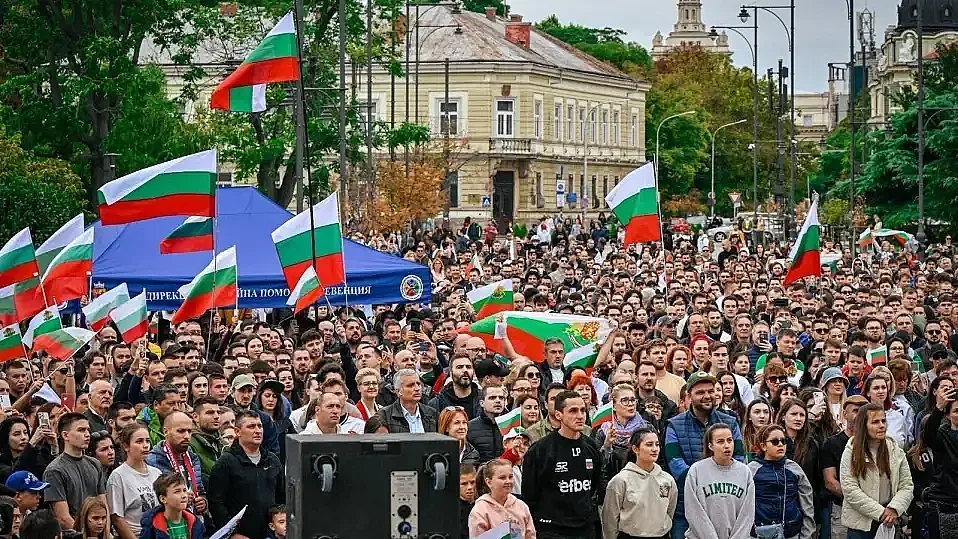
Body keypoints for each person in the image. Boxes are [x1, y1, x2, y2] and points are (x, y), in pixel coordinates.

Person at [665, 372, 744, 539]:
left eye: (710, 391)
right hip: (686, 509)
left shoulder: (730, 422)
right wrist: (706, 483)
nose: (707, 396)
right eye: (700, 392)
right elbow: (676, 465)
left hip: (724, 507)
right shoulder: (674, 425)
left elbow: (739, 459)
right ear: (689, 396)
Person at [522, 390, 605, 539]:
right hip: (552, 529)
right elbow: (529, 494)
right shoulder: (541, 450)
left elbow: (593, 485)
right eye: (573, 411)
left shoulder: (591, 447)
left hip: (584, 528)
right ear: (558, 415)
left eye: (582, 410)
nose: (580, 416)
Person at [840, 403, 914, 539]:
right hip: (861, 526)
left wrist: (893, 509)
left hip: (890, 521)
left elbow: (906, 485)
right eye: (875, 422)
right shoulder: (851, 451)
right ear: (864, 425)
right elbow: (850, 490)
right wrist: (881, 512)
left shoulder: (895, 449)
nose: (881, 425)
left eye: (883, 421)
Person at [209, 410, 285, 539]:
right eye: (251, 426)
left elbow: (281, 498)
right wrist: (232, 534)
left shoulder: (273, 460)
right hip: (240, 534)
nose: (258, 431)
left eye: (260, 426)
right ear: (237, 431)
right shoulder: (226, 462)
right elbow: (216, 502)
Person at [600, 426, 677, 539]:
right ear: (635, 449)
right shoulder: (621, 480)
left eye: (657, 444)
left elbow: (670, 510)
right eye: (649, 445)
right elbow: (609, 519)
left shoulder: (667, 480)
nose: (655, 449)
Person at [683, 424, 755, 539]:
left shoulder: (745, 472)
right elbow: (693, 511)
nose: (727, 445)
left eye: (729, 440)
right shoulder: (696, 470)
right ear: (710, 446)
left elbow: (747, 514)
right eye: (720, 441)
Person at [747, 424, 815, 539]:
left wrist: (806, 534)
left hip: (792, 533)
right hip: (759, 534)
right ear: (763, 446)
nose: (780, 444)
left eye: (783, 441)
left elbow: (807, 503)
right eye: (775, 441)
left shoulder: (794, 468)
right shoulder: (751, 470)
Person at [42, 413, 107, 529]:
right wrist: (84, 535)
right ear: (65, 435)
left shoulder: (95, 464)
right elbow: (63, 518)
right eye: (81, 430)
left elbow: (103, 505)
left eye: (88, 430)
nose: (87, 434)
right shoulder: (54, 470)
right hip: (73, 533)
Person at [821, 395, 868, 539]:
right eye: (855, 411)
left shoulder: (876, 443)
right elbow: (830, 482)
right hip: (843, 509)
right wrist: (859, 500)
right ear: (845, 414)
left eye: (863, 411)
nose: (859, 415)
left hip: (872, 512)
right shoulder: (832, 443)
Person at [145, 412, 206, 517]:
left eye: (189, 431)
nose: (187, 436)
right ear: (166, 432)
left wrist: (203, 503)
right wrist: (180, 499)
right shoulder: (153, 460)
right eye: (181, 431)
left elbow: (200, 490)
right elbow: (154, 499)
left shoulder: (193, 458)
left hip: (194, 520)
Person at [917, 381, 958, 539]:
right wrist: (939, 407)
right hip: (944, 506)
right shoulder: (942, 434)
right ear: (947, 415)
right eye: (956, 411)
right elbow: (928, 436)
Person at [107, 423, 162, 539]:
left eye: (147, 441)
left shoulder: (156, 473)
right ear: (126, 446)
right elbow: (117, 519)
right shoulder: (118, 476)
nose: (145, 445)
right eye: (139, 441)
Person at [468, 458, 536, 539]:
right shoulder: (480, 510)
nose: (508, 481)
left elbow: (530, 535)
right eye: (502, 478)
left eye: (510, 477)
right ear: (489, 482)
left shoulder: (521, 506)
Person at [139, 472, 206, 539]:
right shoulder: (152, 526)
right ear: (163, 499)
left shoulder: (195, 523)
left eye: (184, 490)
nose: (184, 495)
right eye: (177, 491)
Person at [373, 369, 439, 433]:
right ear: (398, 391)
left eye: (418, 384)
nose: (417, 388)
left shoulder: (433, 414)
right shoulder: (384, 416)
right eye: (410, 385)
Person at [466, 385, 507, 463]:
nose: (498, 401)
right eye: (492, 398)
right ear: (482, 403)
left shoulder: (511, 424)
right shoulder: (469, 427)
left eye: (501, 398)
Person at [459, 464, 477, 539]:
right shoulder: (453, 511)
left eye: (472, 482)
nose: (470, 487)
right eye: (464, 484)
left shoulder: (481, 504)